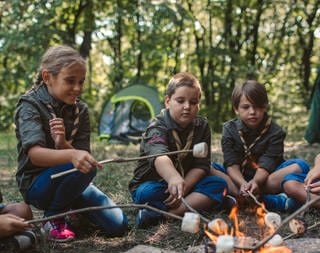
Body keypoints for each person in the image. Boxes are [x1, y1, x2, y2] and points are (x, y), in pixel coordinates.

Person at [15, 45, 128, 242]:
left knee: (117, 225)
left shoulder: (81, 110)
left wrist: (64, 144)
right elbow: (35, 155)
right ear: (47, 77)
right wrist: (71, 155)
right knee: (87, 168)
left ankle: (71, 205)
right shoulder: (30, 105)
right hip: (37, 185)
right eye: (70, 81)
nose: (77, 88)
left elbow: (81, 157)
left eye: (81, 82)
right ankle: (53, 217)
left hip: (71, 180)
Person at [128, 72, 227, 228]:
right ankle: (204, 202)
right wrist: (173, 178)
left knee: (218, 183)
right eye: (180, 101)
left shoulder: (202, 126)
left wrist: (184, 186)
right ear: (168, 101)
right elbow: (159, 156)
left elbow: (201, 165)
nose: (187, 107)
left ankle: (167, 215)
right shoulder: (157, 127)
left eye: (193, 102)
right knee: (147, 193)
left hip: (187, 183)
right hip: (157, 184)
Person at [210, 80, 310, 213]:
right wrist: (242, 183)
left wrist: (256, 182)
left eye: (257, 106)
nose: (252, 111)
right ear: (236, 109)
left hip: (267, 179)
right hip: (238, 180)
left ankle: (242, 198)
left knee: (300, 166)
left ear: (265, 106)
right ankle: (268, 200)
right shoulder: (229, 129)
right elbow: (231, 163)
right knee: (207, 167)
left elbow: (266, 164)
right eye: (246, 107)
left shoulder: (276, 131)